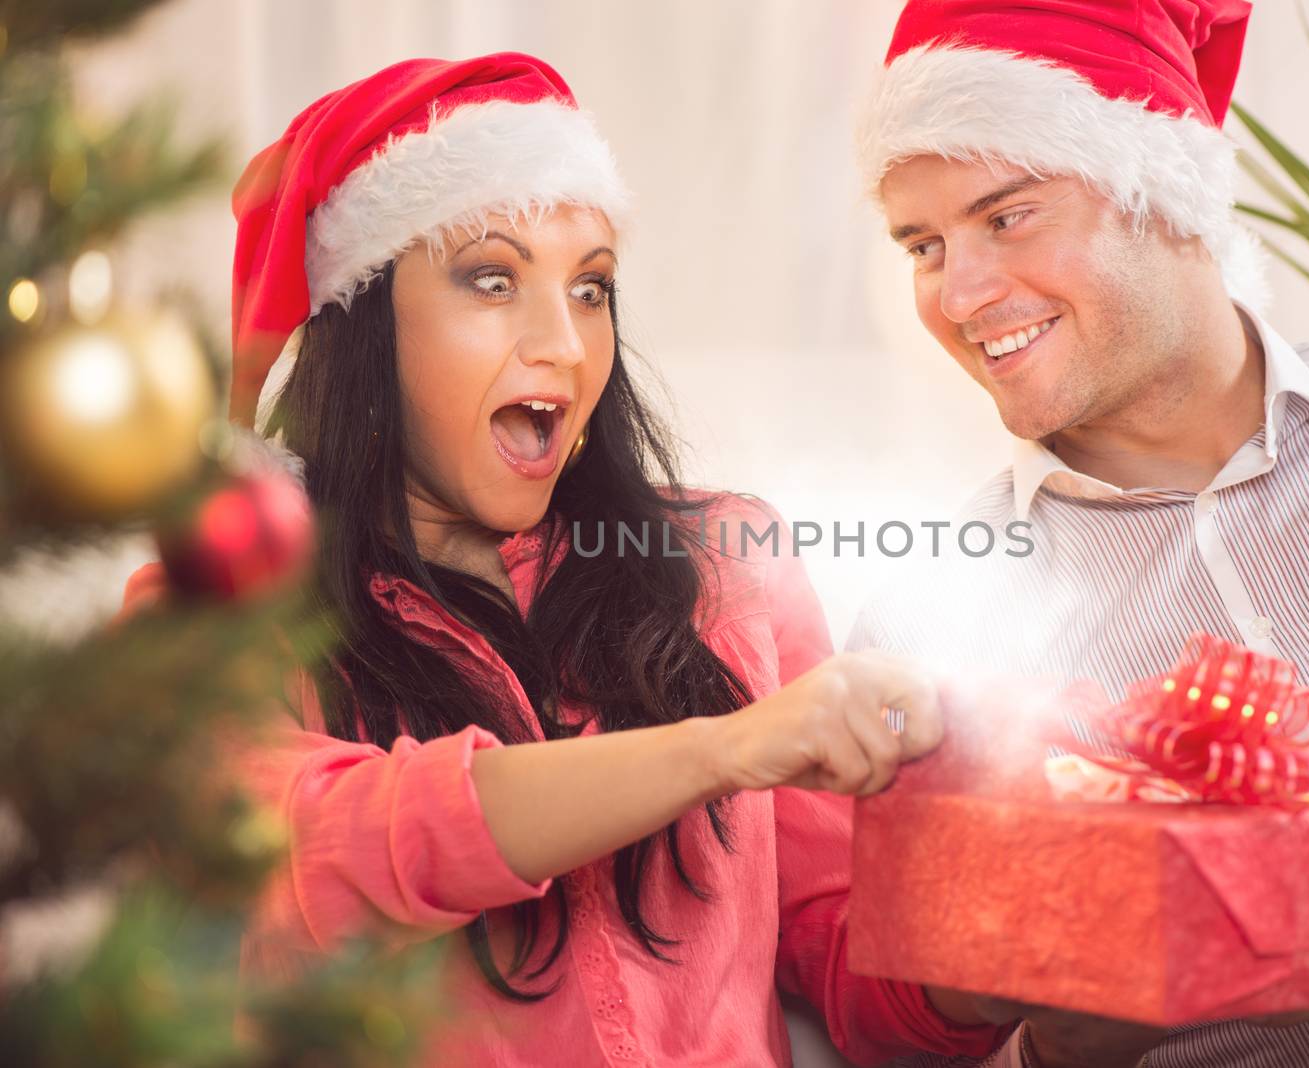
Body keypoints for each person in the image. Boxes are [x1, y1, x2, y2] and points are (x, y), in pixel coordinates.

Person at [122, 53, 1016, 1068]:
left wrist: (999, 944)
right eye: (492, 280)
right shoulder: (215, 610)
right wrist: (719, 750)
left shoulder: (725, 564)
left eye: (590, 288)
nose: (564, 343)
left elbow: (832, 952)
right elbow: (326, 851)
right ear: (363, 321)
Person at [849, 3, 1309, 1067]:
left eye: (1006, 216)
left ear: (1167, 195)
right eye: (921, 245)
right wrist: (1052, 1047)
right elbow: (917, 1014)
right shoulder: (932, 615)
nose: (957, 292)